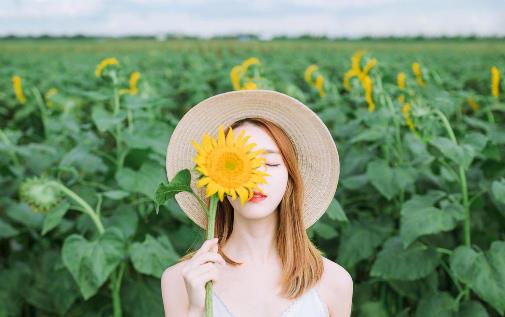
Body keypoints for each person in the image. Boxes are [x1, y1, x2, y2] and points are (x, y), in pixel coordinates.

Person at [161, 90, 353, 317]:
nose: (255, 179)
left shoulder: (333, 281)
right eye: (239, 164)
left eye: (270, 163)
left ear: (290, 177)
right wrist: (196, 309)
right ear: (214, 178)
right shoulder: (181, 280)